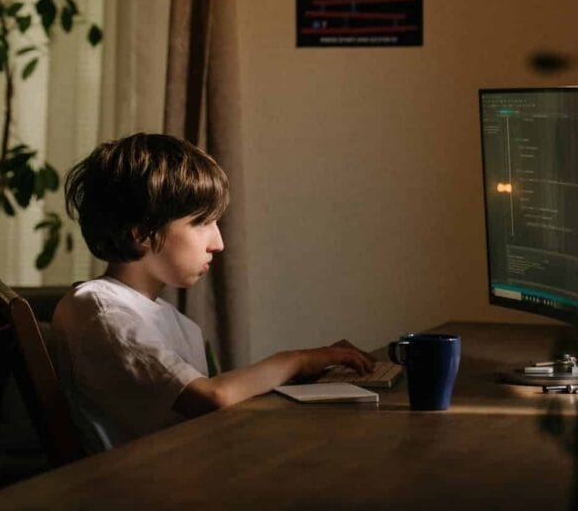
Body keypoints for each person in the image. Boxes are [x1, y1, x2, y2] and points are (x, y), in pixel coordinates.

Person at [51, 132, 375, 452]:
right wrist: (299, 360)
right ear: (142, 231)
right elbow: (211, 399)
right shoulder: (102, 310)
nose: (218, 243)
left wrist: (310, 370)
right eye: (202, 222)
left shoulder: (162, 317)